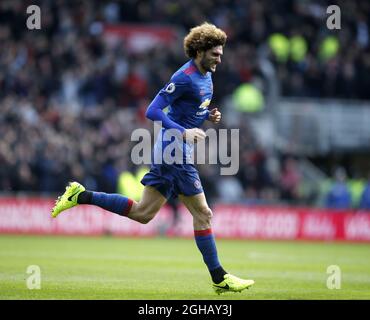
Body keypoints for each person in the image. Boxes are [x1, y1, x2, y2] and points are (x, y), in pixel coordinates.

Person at [51, 22, 254, 294]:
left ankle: (81, 195)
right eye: (215, 53)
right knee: (203, 214)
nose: (220, 58)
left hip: (174, 151)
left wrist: (208, 115)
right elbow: (153, 110)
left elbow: (190, 108)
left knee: (143, 213)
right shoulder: (184, 76)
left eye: (221, 53)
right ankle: (219, 277)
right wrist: (184, 132)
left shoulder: (207, 76)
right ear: (200, 51)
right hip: (174, 152)